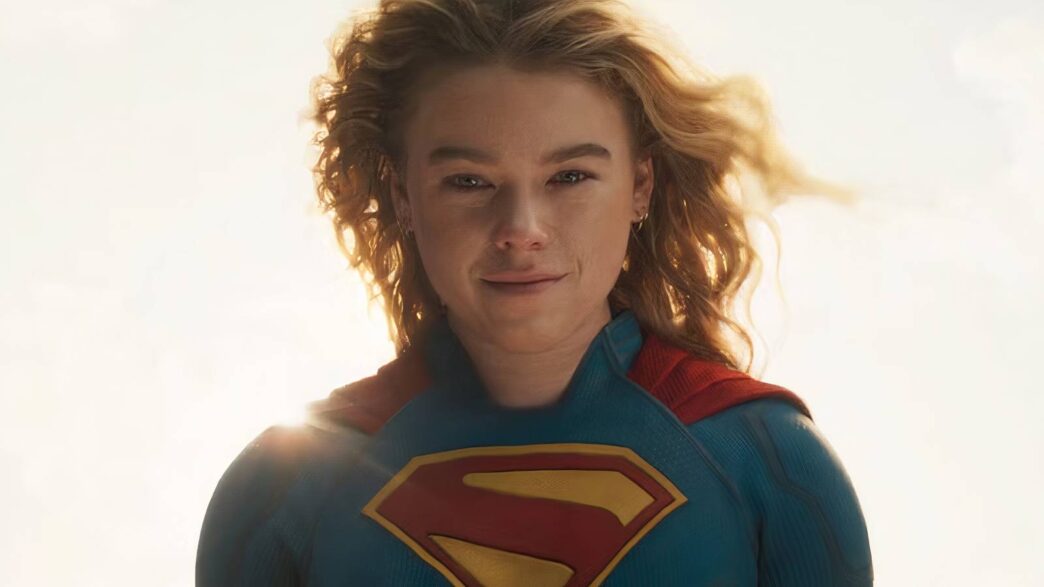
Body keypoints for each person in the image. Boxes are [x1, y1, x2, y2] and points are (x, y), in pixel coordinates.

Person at [196, 0, 874, 584]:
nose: (521, 229)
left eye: (569, 177)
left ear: (640, 185)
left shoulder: (768, 464)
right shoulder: (282, 492)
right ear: (403, 194)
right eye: (469, 181)